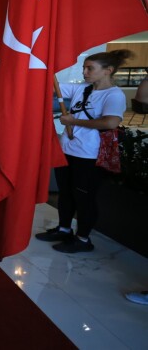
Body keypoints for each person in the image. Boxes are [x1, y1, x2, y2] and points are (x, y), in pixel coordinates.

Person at [35, 50, 130, 253]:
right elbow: (54, 87)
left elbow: (111, 121)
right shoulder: (83, 89)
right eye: (84, 67)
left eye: (90, 68)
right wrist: (45, 67)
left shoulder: (114, 95)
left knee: (84, 198)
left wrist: (74, 121)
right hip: (67, 150)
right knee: (65, 193)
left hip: (89, 156)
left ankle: (83, 239)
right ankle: (64, 229)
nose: (85, 72)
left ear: (108, 71)